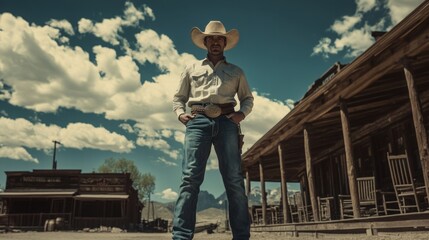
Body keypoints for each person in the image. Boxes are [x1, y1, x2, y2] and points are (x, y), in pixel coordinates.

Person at [172, 20, 254, 240]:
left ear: (225, 43)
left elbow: (247, 99)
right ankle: (181, 236)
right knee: (190, 178)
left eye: (220, 39)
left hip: (227, 122)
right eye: (212, 38)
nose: (216, 42)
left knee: (234, 179)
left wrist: (241, 115)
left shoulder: (236, 72)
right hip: (197, 121)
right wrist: (181, 114)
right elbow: (179, 97)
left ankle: (241, 237)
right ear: (205, 42)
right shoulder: (191, 69)